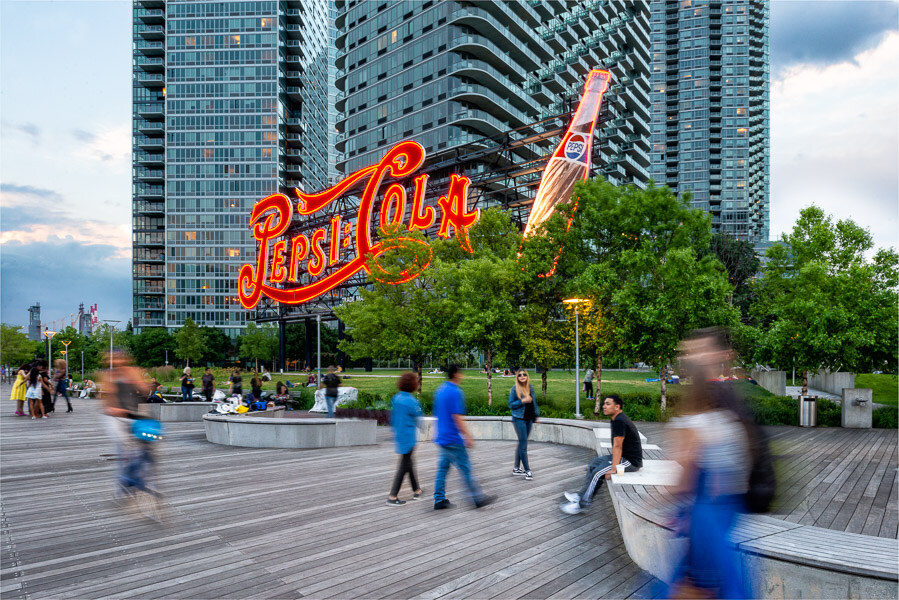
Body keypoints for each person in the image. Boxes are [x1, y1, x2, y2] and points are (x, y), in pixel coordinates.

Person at [660, 328, 755, 599]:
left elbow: (688, 471)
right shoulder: (721, 396)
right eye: (688, 351)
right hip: (716, 507)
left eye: (697, 350)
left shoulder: (710, 399)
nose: (690, 357)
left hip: (710, 510)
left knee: (704, 584)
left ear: (721, 354)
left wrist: (668, 501)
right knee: (715, 583)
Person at [560, 394, 643, 514]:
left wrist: (614, 468)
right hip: (622, 457)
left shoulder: (620, 421)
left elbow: (618, 446)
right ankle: (581, 495)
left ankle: (582, 505)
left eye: (608, 404)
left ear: (617, 407)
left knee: (597, 473)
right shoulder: (615, 419)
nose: (604, 406)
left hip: (630, 461)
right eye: (604, 404)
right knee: (593, 464)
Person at [432, 365, 495, 510]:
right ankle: (478, 498)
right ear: (456, 374)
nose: (463, 376)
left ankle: (439, 499)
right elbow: (457, 417)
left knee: (442, 469)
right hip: (453, 438)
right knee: (466, 469)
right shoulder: (455, 392)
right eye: (461, 373)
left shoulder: (440, 390)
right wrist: (467, 436)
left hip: (442, 437)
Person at [101, 349, 150, 498]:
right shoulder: (110, 375)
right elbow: (107, 399)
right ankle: (123, 483)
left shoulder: (132, 372)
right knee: (125, 452)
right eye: (116, 359)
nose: (119, 362)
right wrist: (114, 408)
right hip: (115, 418)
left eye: (121, 359)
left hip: (133, 415)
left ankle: (134, 480)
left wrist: (142, 384)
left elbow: (144, 389)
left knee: (142, 451)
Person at [387, 372, 424, 506]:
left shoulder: (396, 398)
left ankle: (417, 490)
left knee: (408, 463)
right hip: (408, 436)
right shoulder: (412, 401)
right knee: (404, 466)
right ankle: (392, 496)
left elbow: (392, 417)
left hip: (398, 434)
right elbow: (418, 415)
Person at [509, 369, 539, 480]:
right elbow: (510, 404)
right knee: (523, 445)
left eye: (524, 374)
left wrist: (537, 415)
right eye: (519, 375)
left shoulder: (530, 387)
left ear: (527, 376)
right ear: (517, 377)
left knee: (522, 443)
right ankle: (528, 471)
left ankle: (516, 468)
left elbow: (534, 403)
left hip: (529, 419)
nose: (522, 376)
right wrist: (523, 401)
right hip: (519, 419)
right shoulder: (514, 389)